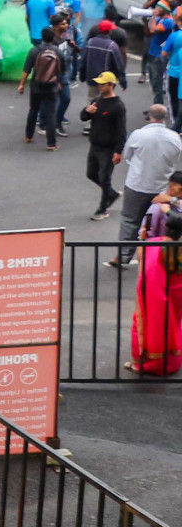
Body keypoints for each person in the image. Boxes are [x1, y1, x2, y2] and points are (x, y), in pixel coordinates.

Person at [116, 106, 182, 267]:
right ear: (165, 117)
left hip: (137, 184)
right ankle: (160, 255)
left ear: (150, 116)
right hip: (162, 186)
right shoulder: (174, 137)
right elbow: (175, 157)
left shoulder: (138, 134)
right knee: (161, 221)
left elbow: (128, 155)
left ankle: (124, 255)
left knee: (130, 220)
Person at [129, 212, 182, 374]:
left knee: (148, 325)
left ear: (165, 226)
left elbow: (142, 259)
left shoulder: (153, 245)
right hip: (177, 293)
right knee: (174, 326)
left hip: (156, 293)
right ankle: (171, 363)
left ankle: (144, 364)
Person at [82, 71, 127, 219]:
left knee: (104, 177)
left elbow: (121, 131)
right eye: (98, 84)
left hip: (108, 148)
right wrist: (87, 111)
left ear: (111, 85)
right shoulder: (97, 100)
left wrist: (118, 151)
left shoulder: (118, 106)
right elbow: (83, 117)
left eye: (102, 84)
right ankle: (112, 194)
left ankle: (103, 209)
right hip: (94, 145)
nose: (99, 87)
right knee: (91, 174)